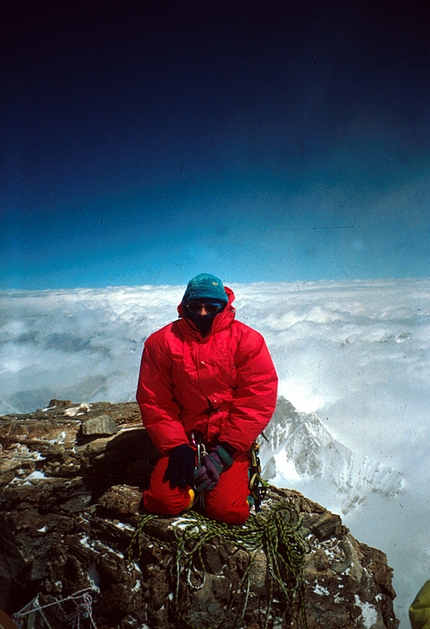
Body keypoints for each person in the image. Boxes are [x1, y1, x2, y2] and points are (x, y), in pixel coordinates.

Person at [136, 273, 278, 525]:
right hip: (184, 440)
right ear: (184, 306)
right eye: (195, 306)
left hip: (228, 440)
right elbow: (155, 400)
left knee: (228, 512)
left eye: (211, 307)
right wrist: (176, 447)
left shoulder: (247, 341)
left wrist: (227, 450)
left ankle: (232, 475)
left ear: (224, 307)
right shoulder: (160, 343)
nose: (202, 313)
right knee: (162, 502)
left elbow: (256, 399)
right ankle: (194, 489)